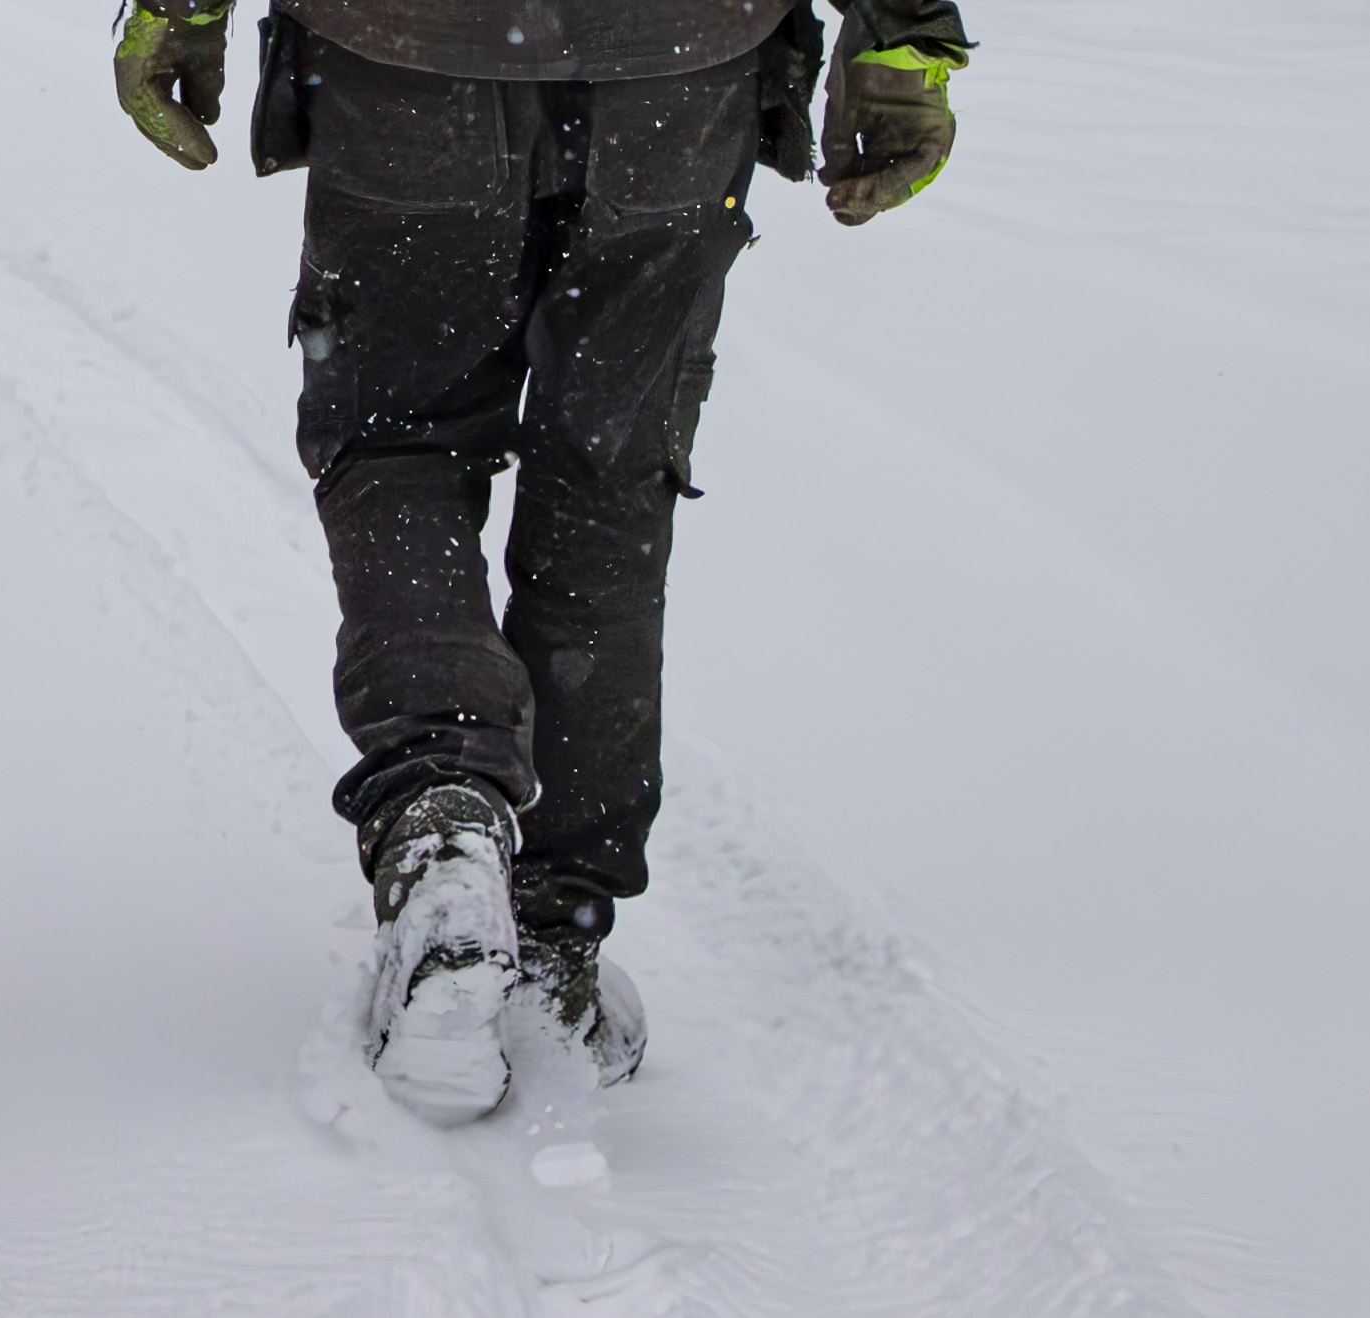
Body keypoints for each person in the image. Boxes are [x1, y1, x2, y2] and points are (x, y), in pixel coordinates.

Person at [114, 0, 970, 1122]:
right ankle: (553, 924)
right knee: (608, 475)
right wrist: (903, 42)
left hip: (410, 61)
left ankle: (443, 819)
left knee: (399, 440)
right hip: (677, 69)